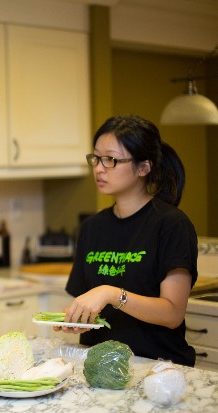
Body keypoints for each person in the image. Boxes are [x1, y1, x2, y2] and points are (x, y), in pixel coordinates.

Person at [58, 115, 198, 367]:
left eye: (110, 159)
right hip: (99, 368)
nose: (99, 168)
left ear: (144, 168)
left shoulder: (172, 225)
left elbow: (172, 313)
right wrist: (76, 319)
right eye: (96, 158)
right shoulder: (91, 228)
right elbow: (91, 306)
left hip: (157, 368)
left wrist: (111, 293)